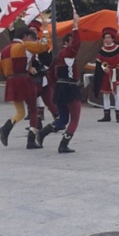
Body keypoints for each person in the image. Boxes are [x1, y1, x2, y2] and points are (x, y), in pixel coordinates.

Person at [0, 22, 50, 149]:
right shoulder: (24, 46)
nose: (30, 40)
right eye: (29, 37)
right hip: (24, 80)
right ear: (25, 36)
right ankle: (31, 141)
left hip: (11, 81)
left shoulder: (4, 50)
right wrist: (45, 32)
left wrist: (10, 71)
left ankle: (6, 128)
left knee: (20, 112)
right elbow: (44, 46)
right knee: (34, 110)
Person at [37, 13, 81, 153]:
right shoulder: (69, 53)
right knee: (74, 118)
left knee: (63, 119)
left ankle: (43, 132)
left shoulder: (58, 56)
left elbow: (50, 73)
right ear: (67, 43)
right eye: (71, 41)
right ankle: (63, 144)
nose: (73, 44)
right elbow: (77, 43)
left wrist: (54, 87)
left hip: (60, 88)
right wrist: (75, 25)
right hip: (69, 88)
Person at [93, 27, 119, 123]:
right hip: (106, 75)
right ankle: (106, 116)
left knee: (117, 95)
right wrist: (105, 69)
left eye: (109, 37)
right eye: (105, 37)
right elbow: (99, 65)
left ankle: (118, 116)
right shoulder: (101, 51)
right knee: (106, 95)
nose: (107, 39)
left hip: (116, 74)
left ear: (113, 38)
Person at [26, 19, 57, 127]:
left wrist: (42, 68)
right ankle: (36, 122)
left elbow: (48, 58)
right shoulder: (24, 45)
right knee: (32, 99)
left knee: (47, 99)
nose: (32, 32)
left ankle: (57, 118)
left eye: (34, 30)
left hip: (41, 74)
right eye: (31, 30)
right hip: (29, 76)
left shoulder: (41, 43)